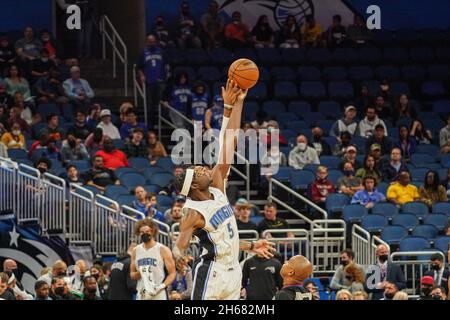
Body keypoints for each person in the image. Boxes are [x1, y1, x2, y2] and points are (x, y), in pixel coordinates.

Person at [172, 80, 275, 300]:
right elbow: (179, 245)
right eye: (199, 170)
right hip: (212, 273)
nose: (204, 168)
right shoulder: (192, 212)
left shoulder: (217, 186)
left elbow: (229, 142)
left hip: (233, 271)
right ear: (194, 186)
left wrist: (237, 104)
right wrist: (178, 255)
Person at [130, 218, 176, 300]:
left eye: (147, 232)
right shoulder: (136, 250)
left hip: (158, 291)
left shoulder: (162, 249)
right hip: (142, 292)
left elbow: (172, 273)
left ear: (153, 231)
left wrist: (162, 286)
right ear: (139, 233)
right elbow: (132, 275)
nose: (145, 234)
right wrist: (141, 272)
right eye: (142, 232)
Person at [138, 34, 167, 128]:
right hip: (149, 82)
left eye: (153, 41)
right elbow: (139, 67)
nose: (152, 43)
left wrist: (166, 75)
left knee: (161, 103)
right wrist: (142, 75)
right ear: (147, 42)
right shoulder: (143, 53)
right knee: (150, 104)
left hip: (160, 81)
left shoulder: (161, 52)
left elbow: (166, 64)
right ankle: (151, 125)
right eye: (150, 42)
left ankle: (162, 123)